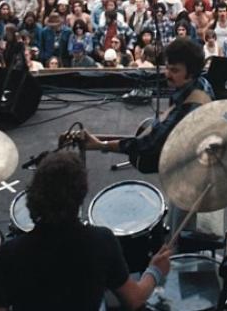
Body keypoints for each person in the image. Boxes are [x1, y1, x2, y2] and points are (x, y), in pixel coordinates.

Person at [0, 151, 173, 311]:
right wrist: (155, 271)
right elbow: (134, 299)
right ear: (81, 194)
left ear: (34, 193)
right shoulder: (101, 241)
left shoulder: (9, 253)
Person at [80, 36, 218, 239]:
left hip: (190, 177)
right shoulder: (201, 85)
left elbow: (148, 145)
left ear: (191, 73)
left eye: (174, 70)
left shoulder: (190, 107)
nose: (167, 74)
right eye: (167, 68)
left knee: (180, 236)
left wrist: (102, 145)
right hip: (194, 164)